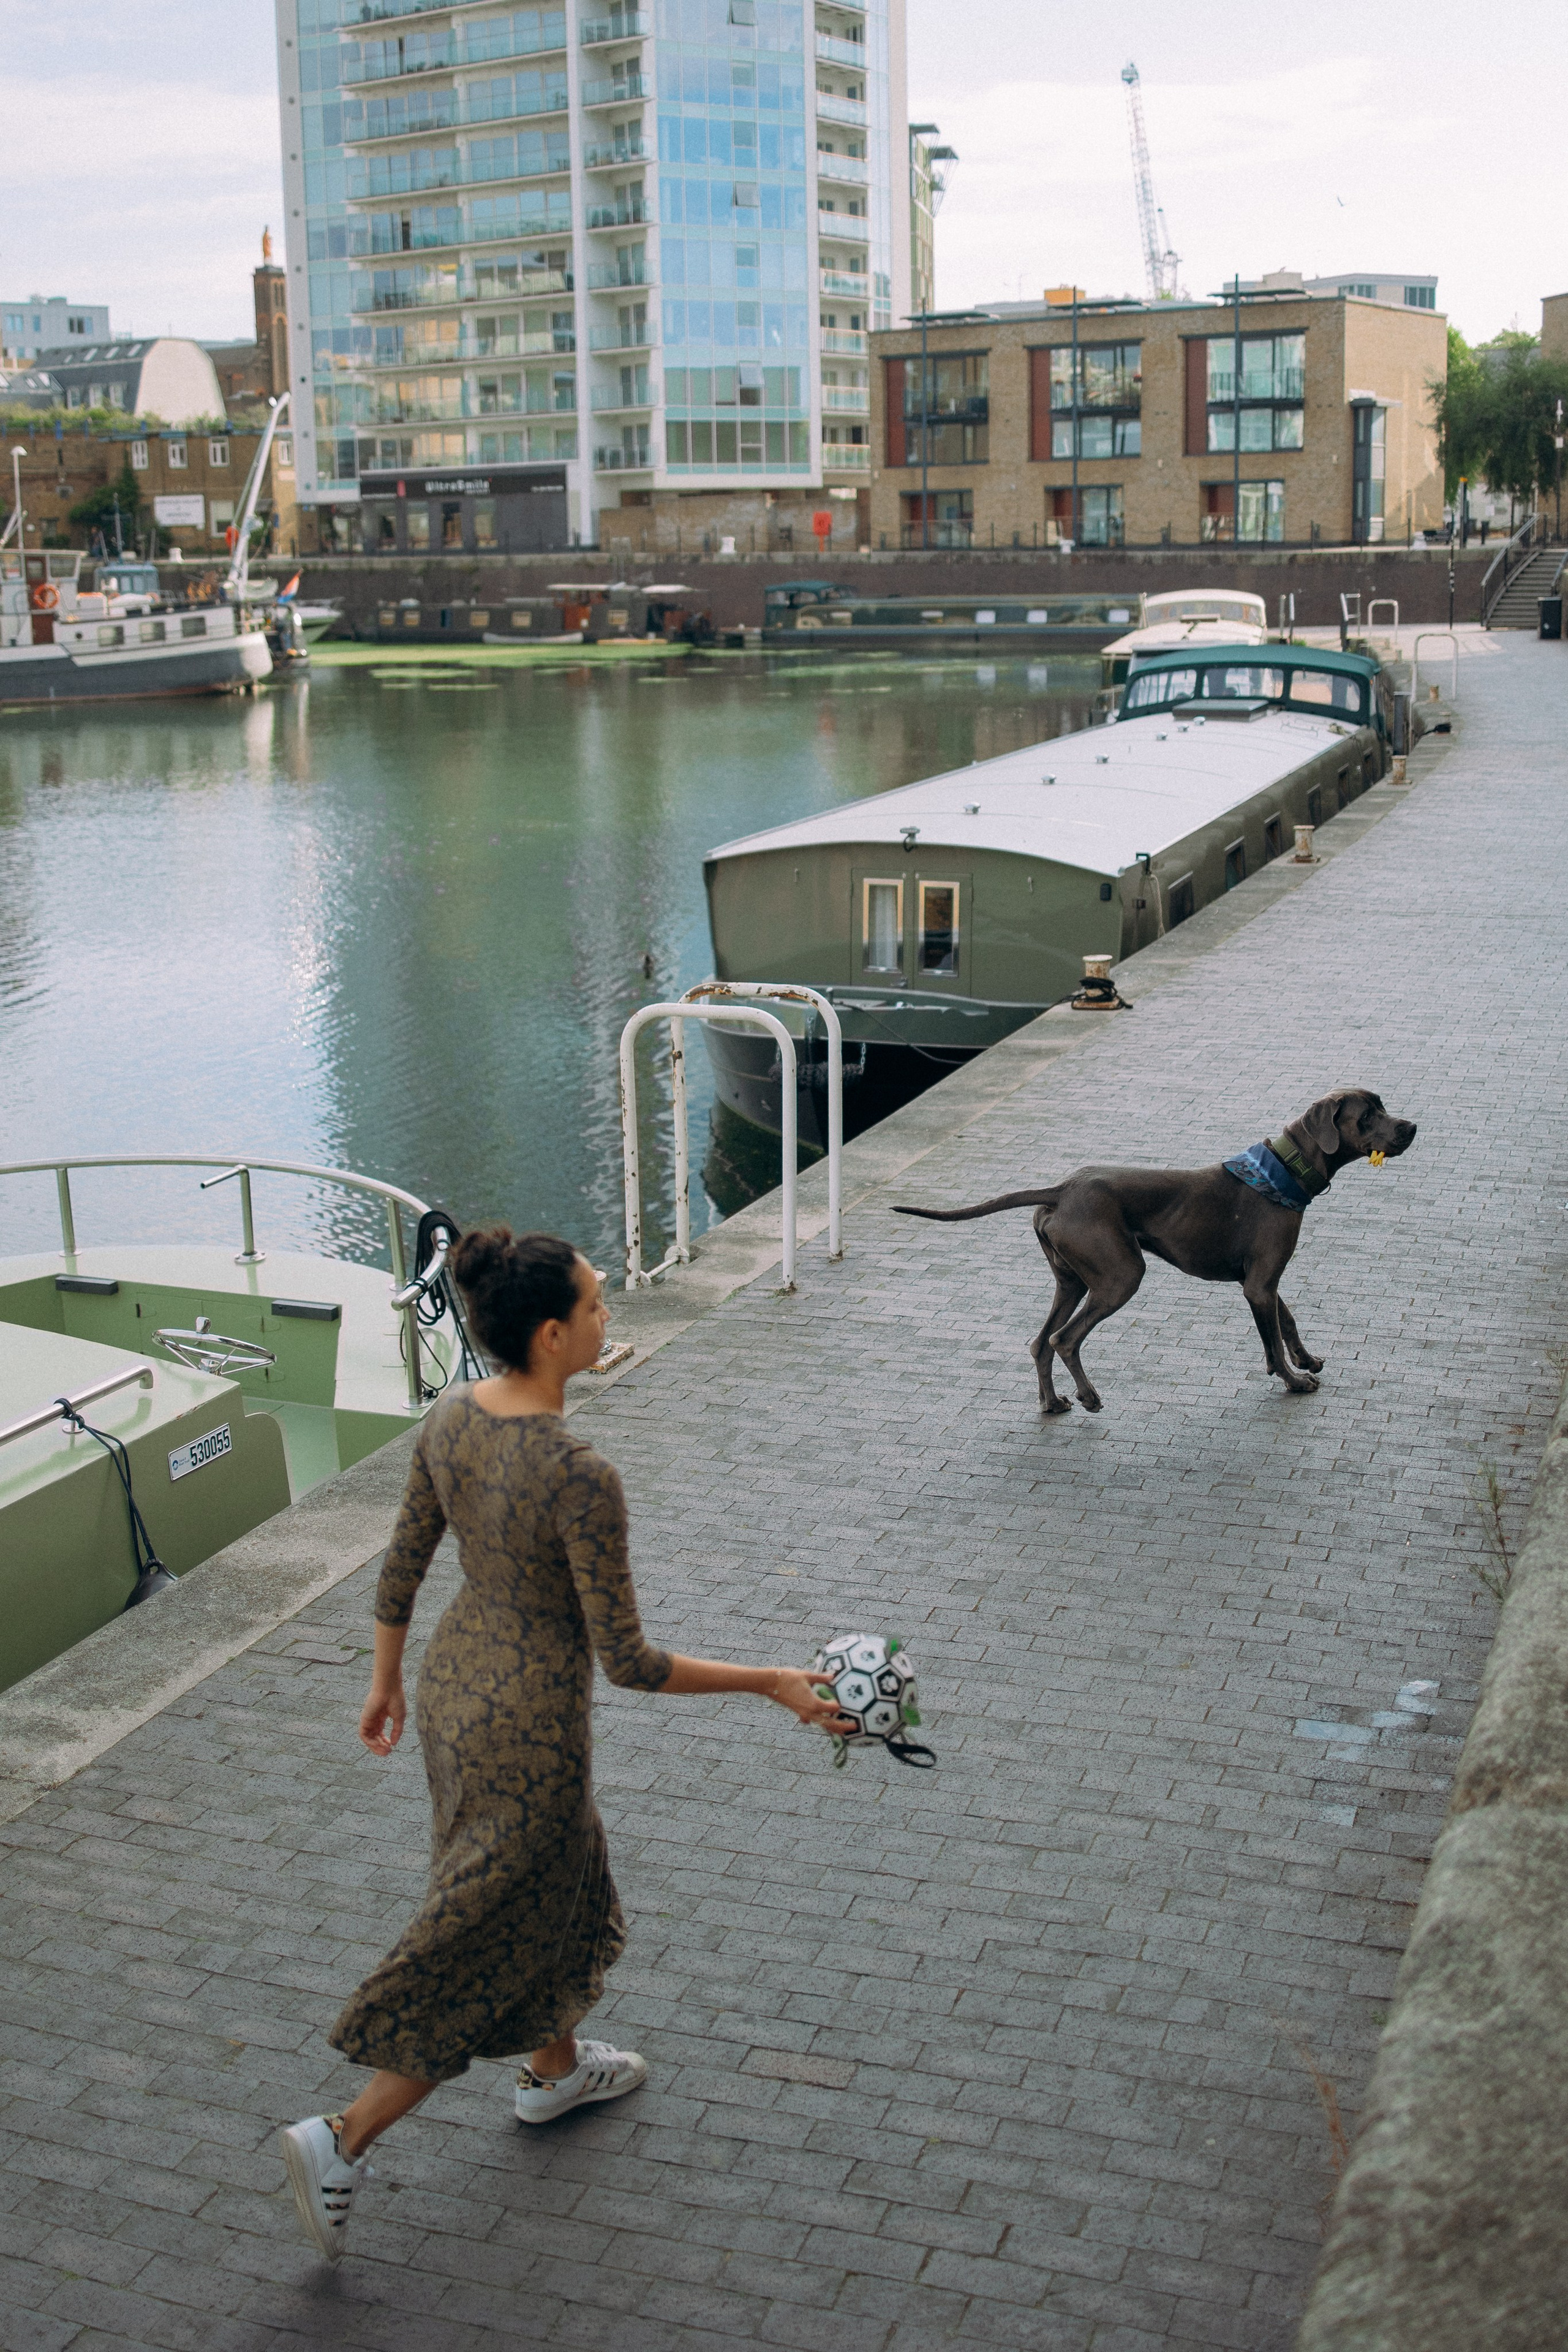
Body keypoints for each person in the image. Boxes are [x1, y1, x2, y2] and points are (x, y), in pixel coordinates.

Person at [279, 1229, 850, 2264]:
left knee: (561, 1886)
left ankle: (554, 2072)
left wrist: (383, 1682)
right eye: (594, 1305)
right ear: (551, 1335)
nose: (605, 1315)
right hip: (534, 1729)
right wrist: (772, 1683)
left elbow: (403, 1565)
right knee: (482, 1936)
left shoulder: (453, 1416)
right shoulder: (579, 1473)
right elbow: (627, 1660)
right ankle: (343, 2138)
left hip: (457, 1697)